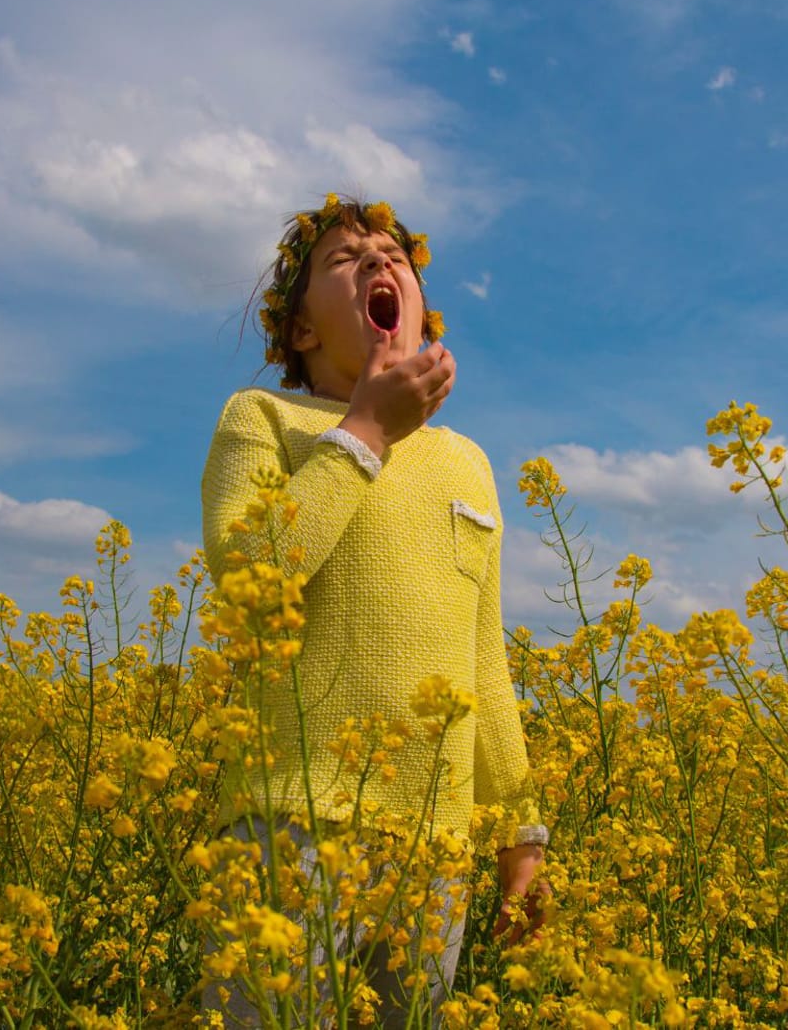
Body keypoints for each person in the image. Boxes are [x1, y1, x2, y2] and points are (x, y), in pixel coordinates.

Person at [197, 194, 549, 1026]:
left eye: (396, 255)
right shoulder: (265, 421)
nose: (380, 264)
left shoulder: (469, 463)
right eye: (345, 261)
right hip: (291, 824)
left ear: (422, 313)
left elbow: (482, 665)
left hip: (435, 846)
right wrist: (363, 433)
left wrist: (521, 835)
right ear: (304, 331)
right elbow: (253, 575)